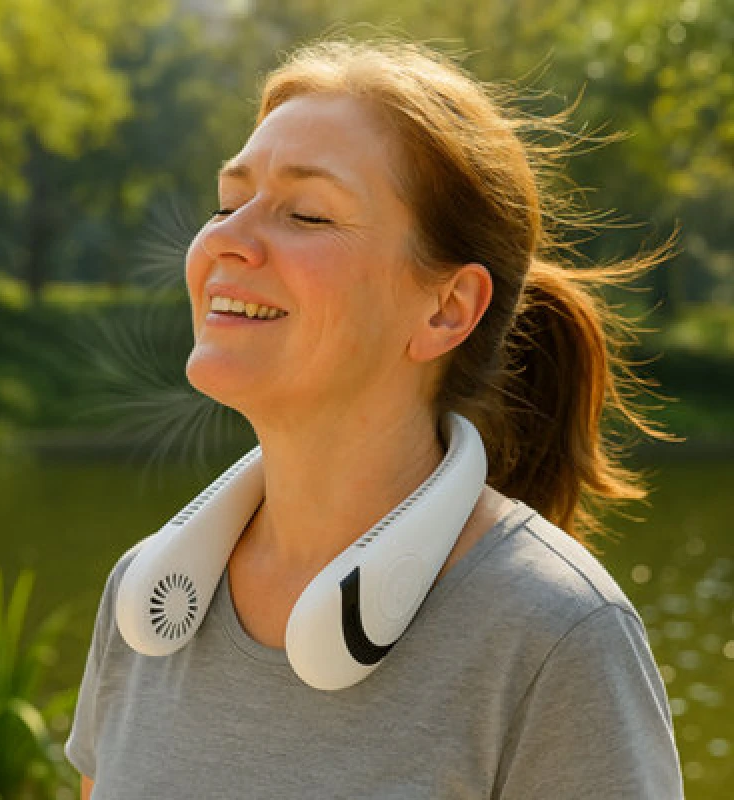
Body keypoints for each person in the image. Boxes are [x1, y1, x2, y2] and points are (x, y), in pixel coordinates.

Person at [65, 38, 685, 798]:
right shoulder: (145, 601)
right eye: (228, 203)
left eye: (308, 214)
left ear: (445, 309)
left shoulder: (557, 638)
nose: (223, 239)